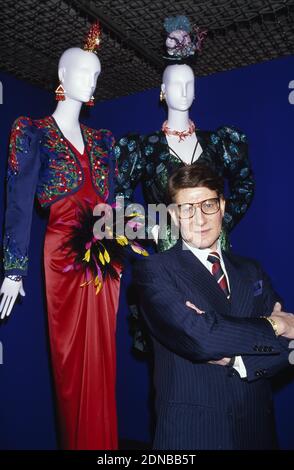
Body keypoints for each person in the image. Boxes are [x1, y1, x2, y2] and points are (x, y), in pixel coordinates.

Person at [0, 24, 119, 450]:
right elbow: (18, 205)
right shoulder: (31, 131)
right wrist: (13, 269)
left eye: (97, 75)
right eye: (84, 73)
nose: (92, 82)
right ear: (62, 76)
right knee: (72, 362)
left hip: (107, 259)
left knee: (103, 357)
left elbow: (115, 209)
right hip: (63, 258)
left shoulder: (104, 142)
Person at [133, 163, 294, 450]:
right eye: (187, 209)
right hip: (194, 434)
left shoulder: (251, 270)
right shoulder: (155, 270)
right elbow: (201, 338)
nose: (200, 219)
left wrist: (238, 361)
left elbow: (289, 349)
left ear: (222, 205)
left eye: (208, 204)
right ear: (173, 215)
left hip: (257, 430)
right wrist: (275, 324)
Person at [115, 15, 254, 252]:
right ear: (163, 91)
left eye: (189, 85)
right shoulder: (143, 148)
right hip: (171, 259)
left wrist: (222, 220)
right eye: (176, 85)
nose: (183, 91)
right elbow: (117, 201)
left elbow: (245, 184)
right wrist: (155, 230)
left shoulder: (218, 143)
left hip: (216, 251)